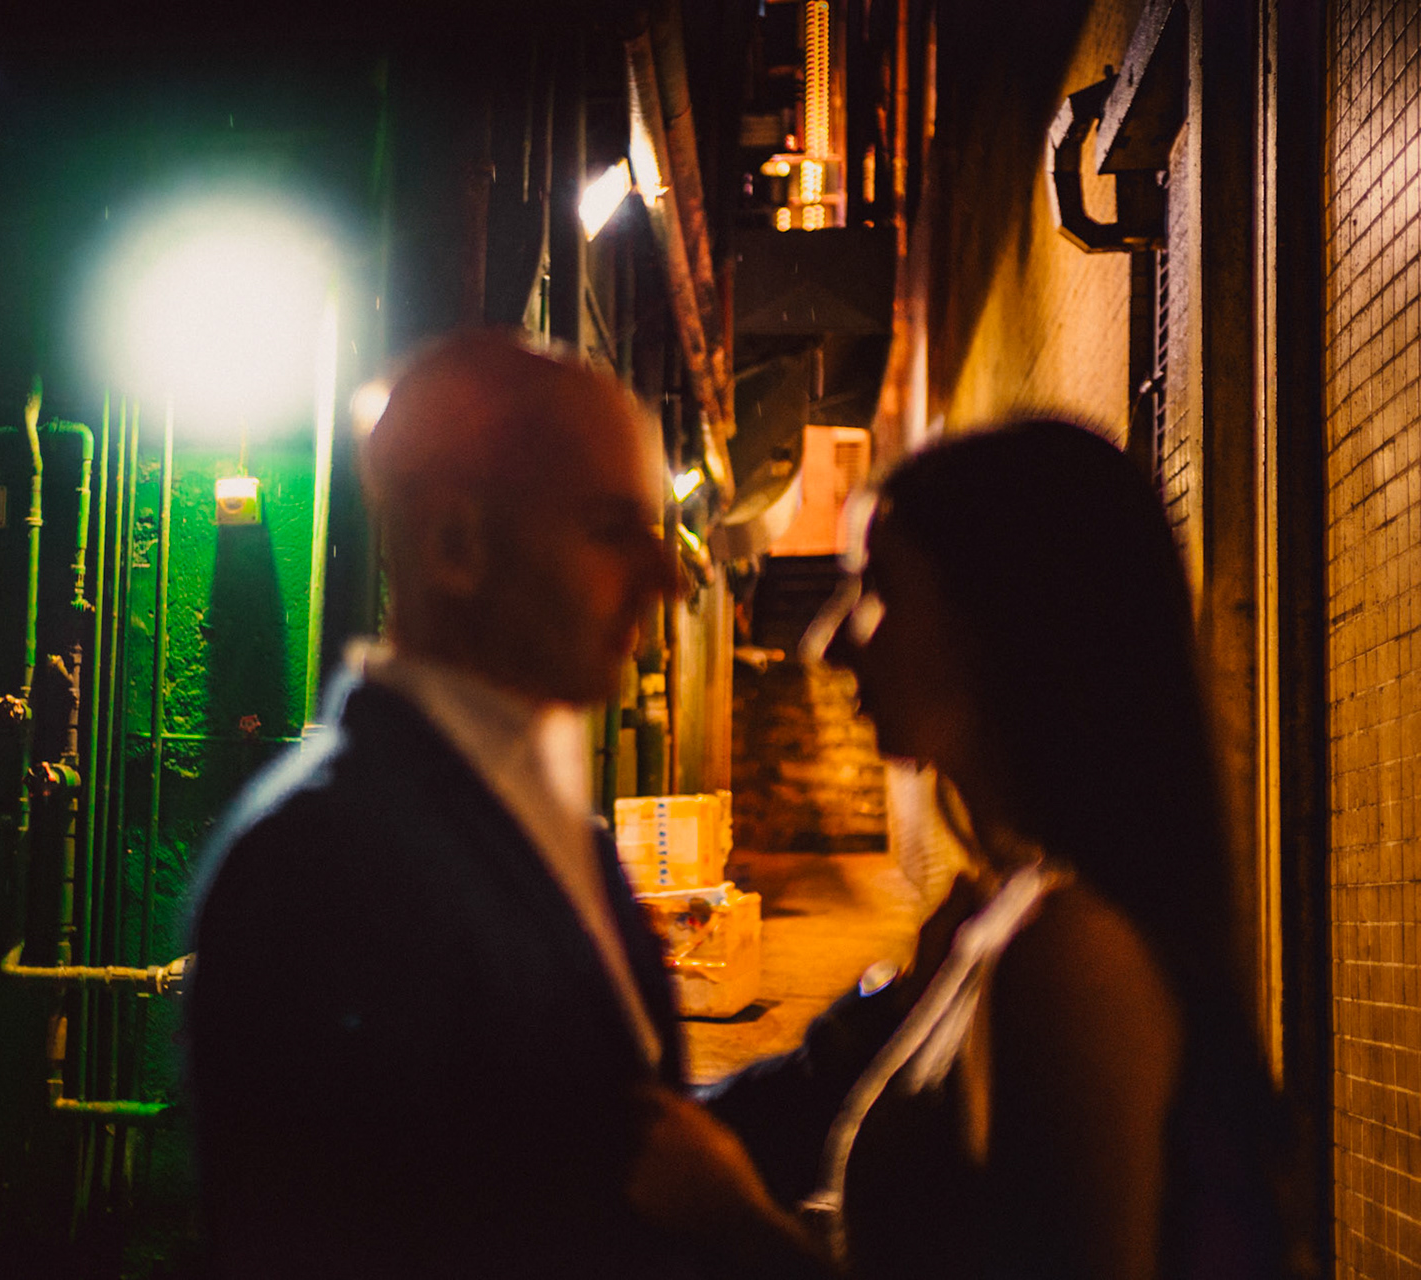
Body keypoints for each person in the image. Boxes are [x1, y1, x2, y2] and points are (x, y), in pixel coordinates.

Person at [632, 419, 1286, 1279]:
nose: (823, 643)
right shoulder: (1005, 919)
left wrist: (734, 1222)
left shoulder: (1073, 957)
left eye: (875, 590)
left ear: (1001, 619)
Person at [187, 330, 716, 1278]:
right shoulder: (326, 863)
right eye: (609, 529)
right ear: (453, 546)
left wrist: (873, 1033)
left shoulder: (522, 805)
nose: (668, 578)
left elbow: (623, 1154)